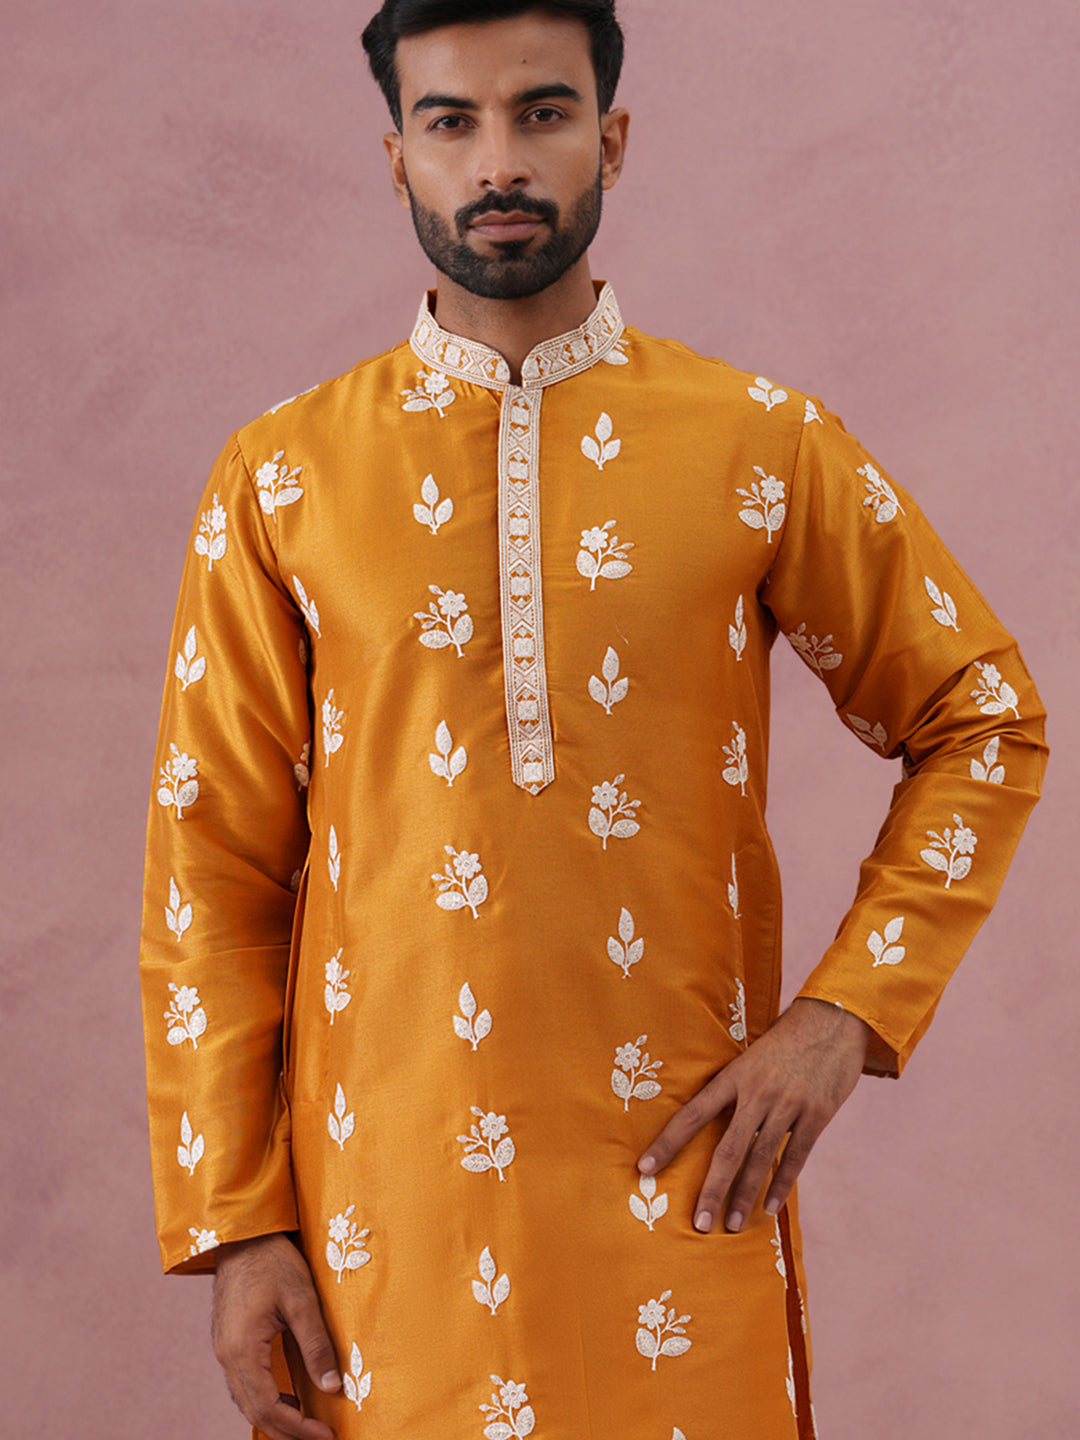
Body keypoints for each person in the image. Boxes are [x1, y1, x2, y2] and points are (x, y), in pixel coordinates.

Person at [138, 3, 1047, 1438]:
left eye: (543, 113)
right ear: (396, 158)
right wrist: (237, 1224)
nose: (499, 160)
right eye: (452, 122)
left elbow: (982, 718)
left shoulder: (761, 443)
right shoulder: (280, 478)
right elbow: (213, 868)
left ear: (611, 140)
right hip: (383, 1221)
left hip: (687, 1177)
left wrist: (848, 1015)